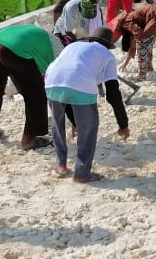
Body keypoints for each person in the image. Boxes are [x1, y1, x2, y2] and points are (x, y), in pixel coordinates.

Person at [45, 27, 129, 183]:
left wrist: (74, 121)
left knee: (57, 124)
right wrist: (123, 124)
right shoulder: (107, 55)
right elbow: (113, 94)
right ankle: (82, 173)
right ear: (108, 45)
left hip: (52, 80)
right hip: (81, 83)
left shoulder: (73, 46)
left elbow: (67, 86)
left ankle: (60, 164)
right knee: (89, 129)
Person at [0, 24, 56, 150]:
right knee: (37, 94)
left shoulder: (51, 40)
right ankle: (29, 139)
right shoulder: (61, 53)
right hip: (13, 48)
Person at [113, 3, 156, 80]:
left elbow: (139, 34)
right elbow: (134, 41)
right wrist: (125, 63)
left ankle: (142, 75)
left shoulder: (126, 22)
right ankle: (149, 67)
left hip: (155, 16)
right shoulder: (133, 15)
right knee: (149, 45)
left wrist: (139, 45)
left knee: (142, 47)